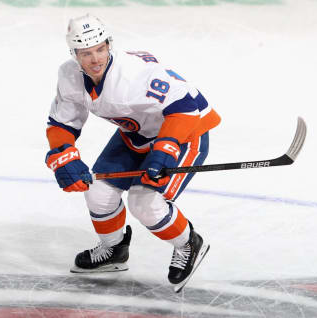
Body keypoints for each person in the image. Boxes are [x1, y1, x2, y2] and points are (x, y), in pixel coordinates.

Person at [45, 13, 221, 288]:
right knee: (98, 191)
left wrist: (164, 151)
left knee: (144, 202)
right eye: (86, 53)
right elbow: (62, 123)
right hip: (137, 134)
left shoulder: (134, 75)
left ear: (109, 44)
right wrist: (63, 155)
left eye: (100, 49)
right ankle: (114, 250)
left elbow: (185, 108)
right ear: (74, 54)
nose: (95, 59)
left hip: (184, 132)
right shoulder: (70, 75)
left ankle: (189, 243)